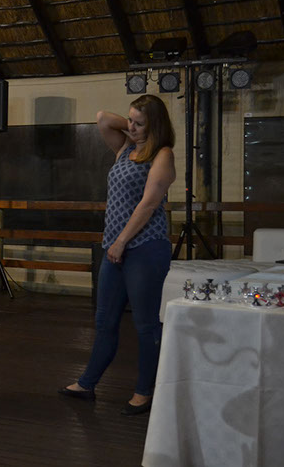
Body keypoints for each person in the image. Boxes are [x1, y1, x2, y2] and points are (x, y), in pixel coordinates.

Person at [59, 94, 176, 415]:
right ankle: (87, 383)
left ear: (155, 126)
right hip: (115, 246)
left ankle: (144, 391)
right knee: (104, 320)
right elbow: (102, 117)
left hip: (144, 248)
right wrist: (134, 125)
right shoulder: (125, 149)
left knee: (145, 324)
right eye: (130, 121)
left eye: (140, 124)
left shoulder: (163, 155)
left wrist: (122, 241)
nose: (132, 128)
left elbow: (149, 204)